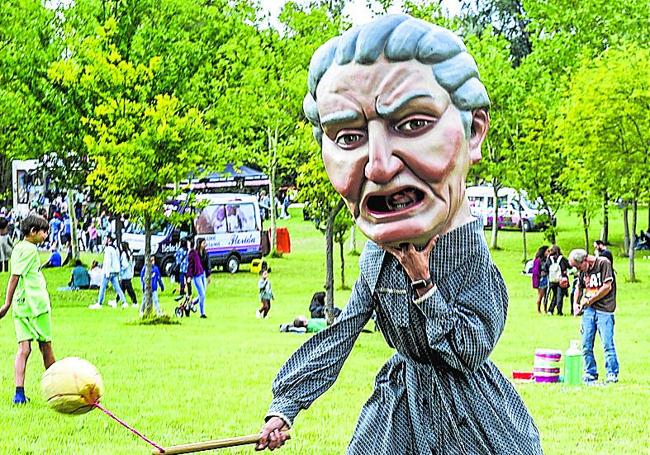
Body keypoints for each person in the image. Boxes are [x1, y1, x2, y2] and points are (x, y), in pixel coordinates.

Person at [256, 14, 541, 454]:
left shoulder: (472, 262)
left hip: (471, 419)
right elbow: (343, 331)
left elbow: (469, 351)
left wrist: (425, 286)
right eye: (349, 137)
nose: (379, 166)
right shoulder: (377, 256)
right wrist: (285, 406)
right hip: (398, 415)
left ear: (475, 130)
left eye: (412, 124)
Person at [0, 214, 56, 404]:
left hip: (21, 306)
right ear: (33, 232)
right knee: (46, 346)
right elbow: (15, 277)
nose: (46, 235)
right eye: (44, 231)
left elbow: (15, 276)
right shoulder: (31, 250)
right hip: (37, 306)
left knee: (23, 349)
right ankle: (57, 388)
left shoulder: (17, 249)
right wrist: (6, 303)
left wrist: (10, 303)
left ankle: (19, 393)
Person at [569, 249, 619, 383]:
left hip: (605, 310)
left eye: (579, 267)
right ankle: (590, 372)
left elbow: (607, 286)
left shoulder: (603, 263)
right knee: (586, 344)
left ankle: (612, 373)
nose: (579, 270)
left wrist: (590, 300)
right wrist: (575, 303)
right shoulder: (582, 271)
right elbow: (579, 287)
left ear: (585, 260)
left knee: (607, 344)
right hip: (589, 311)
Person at [89, 236, 128, 309]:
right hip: (114, 271)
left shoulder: (108, 249)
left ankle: (99, 303)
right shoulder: (115, 249)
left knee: (102, 287)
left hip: (108, 271)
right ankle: (124, 302)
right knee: (117, 288)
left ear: (109, 240)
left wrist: (107, 272)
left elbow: (108, 261)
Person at [186, 237, 207, 318]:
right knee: (202, 294)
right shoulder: (192, 253)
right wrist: (189, 276)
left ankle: (192, 303)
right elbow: (190, 266)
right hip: (197, 276)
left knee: (203, 294)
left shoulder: (203, 252)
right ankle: (202, 313)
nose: (205, 244)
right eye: (203, 243)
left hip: (202, 274)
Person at [546, 245, 569, 316]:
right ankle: (559, 311)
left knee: (555, 295)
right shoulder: (562, 259)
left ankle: (550, 310)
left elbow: (546, 268)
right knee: (560, 296)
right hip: (561, 280)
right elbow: (569, 265)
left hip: (552, 280)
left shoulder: (549, 259)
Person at [119, 242, 138, 308]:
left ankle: (135, 302)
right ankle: (117, 300)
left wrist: (121, 270)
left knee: (129, 289)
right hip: (129, 274)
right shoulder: (130, 253)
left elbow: (125, 265)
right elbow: (133, 264)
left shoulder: (124, 254)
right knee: (121, 288)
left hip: (125, 275)